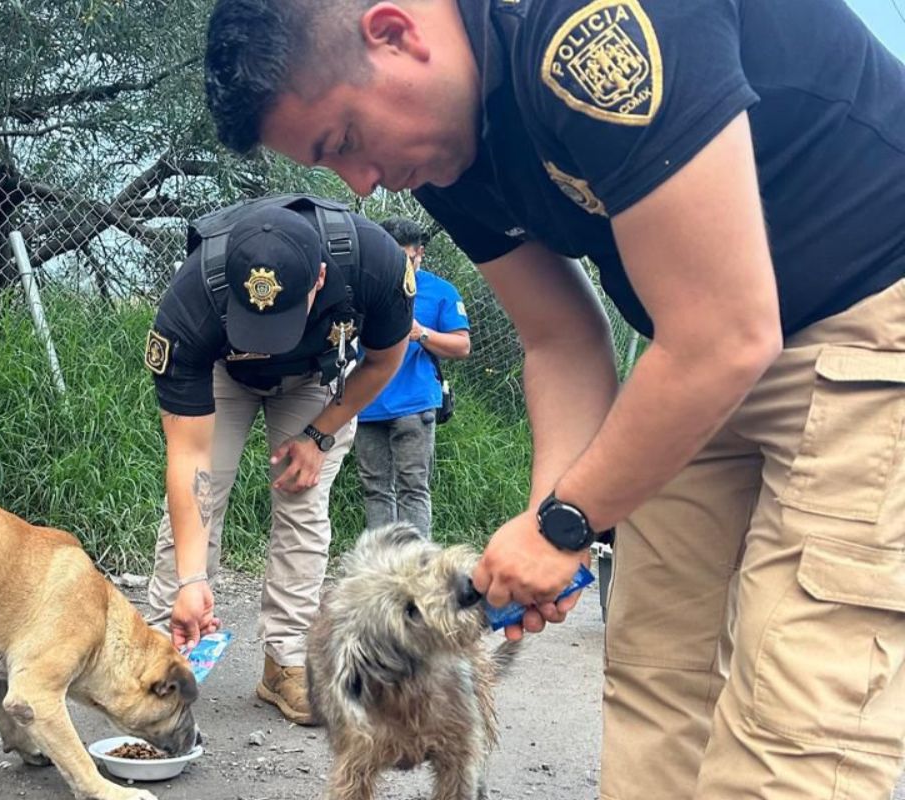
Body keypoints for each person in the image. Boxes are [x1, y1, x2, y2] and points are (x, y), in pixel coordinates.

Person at [202, 0, 905, 796]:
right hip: (691, 352)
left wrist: (569, 522)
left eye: (345, 142)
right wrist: (551, 523)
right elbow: (561, 337)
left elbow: (727, 333)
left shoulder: (586, 25)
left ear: (394, 33)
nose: (362, 184)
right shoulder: (443, 148)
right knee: (655, 675)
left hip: (869, 316)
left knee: (798, 730)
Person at [145, 194, 413, 725]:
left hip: (318, 379)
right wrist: (191, 580)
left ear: (318, 279)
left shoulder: (375, 263)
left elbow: (384, 361)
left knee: (303, 501)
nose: (266, 345)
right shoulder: (191, 302)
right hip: (225, 375)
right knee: (206, 492)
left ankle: (286, 662)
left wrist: (320, 436)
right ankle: (159, 649)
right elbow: (190, 455)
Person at [355, 216, 470, 538]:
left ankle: (417, 568)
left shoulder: (441, 291)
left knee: (413, 487)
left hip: (415, 404)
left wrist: (421, 334)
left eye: (405, 259)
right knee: (375, 488)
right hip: (367, 403)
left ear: (420, 253)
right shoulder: (365, 286)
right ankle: (380, 566)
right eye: (390, 259)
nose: (399, 267)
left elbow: (462, 346)